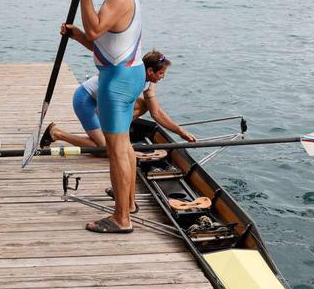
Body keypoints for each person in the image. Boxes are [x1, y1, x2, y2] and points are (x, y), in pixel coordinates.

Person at [40, 49, 197, 214]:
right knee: (105, 149)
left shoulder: (149, 83)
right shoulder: (129, 79)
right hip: (85, 100)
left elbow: (156, 113)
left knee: (144, 106)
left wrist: (181, 132)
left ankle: (123, 191)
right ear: (150, 71)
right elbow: (107, 100)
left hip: (103, 101)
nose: (163, 77)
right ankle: (56, 133)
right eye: (161, 73)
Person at [63, 0, 145, 234]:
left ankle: (121, 218)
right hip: (127, 73)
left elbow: (96, 29)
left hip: (117, 81)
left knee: (116, 151)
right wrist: (77, 36)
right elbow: (106, 46)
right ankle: (130, 203)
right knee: (124, 148)